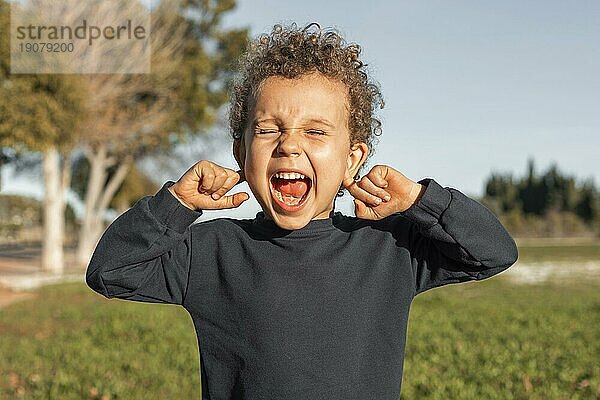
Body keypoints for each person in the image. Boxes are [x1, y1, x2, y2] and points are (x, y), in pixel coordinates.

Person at [86, 22, 518, 400]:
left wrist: (420, 202)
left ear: (352, 158)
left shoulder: (391, 247)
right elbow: (110, 270)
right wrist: (175, 205)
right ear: (241, 153)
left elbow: (493, 251)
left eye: (315, 131)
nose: (289, 144)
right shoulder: (211, 251)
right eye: (269, 129)